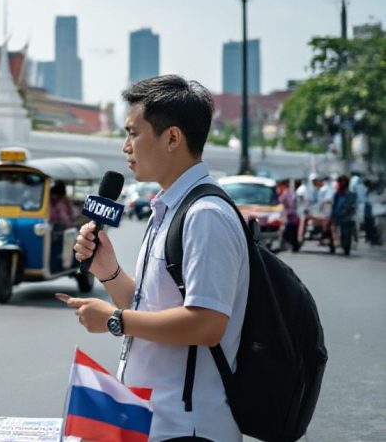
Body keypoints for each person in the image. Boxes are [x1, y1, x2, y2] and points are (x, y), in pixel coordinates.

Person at [67, 75, 249, 441]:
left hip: (190, 427)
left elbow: (207, 324)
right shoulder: (169, 209)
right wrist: (110, 272)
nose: (125, 147)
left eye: (134, 133)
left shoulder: (205, 215)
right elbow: (152, 308)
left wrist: (116, 321)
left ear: (171, 138)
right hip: (155, 420)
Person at [277, 178, 300, 252]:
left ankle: (294, 245)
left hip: (290, 215)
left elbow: (289, 203)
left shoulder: (287, 192)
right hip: (290, 215)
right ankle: (294, 246)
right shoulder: (289, 192)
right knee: (291, 232)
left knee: (288, 232)